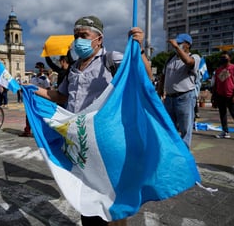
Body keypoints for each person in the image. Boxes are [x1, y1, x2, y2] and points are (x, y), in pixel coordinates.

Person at [32, 15, 152, 226]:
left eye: (84, 35)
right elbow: (61, 97)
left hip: (106, 139)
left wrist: (139, 49)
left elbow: (144, 77)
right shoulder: (73, 68)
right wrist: (36, 90)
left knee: (111, 197)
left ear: (99, 38)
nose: (79, 40)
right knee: (86, 193)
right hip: (80, 142)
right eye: (76, 36)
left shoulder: (112, 58)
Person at [156, 33, 200, 149]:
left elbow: (189, 62)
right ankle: (171, 150)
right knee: (169, 126)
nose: (177, 45)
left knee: (185, 128)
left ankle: (184, 152)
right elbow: (164, 75)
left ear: (188, 45)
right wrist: (160, 89)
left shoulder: (194, 57)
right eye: (177, 43)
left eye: (180, 43)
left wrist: (176, 47)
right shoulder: (170, 59)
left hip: (184, 97)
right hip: (170, 98)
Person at [212, 51, 234, 142]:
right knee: (222, 114)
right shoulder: (219, 70)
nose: (223, 59)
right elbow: (216, 84)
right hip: (220, 96)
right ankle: (225, 131)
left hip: (230, 95)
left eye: (225, 57)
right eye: (222, 57)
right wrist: (214, 97)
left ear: (230, 58)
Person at [19, 62, 51, 137]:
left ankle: (43, 132)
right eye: (37, 68)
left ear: (42, 69)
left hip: (41, 100)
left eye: (39, 68)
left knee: (41, 116)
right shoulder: (33, 78)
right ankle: (27, 131)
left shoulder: (45, 79)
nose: (38, 69)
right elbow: (29, 86)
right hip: (32, 99)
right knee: (29, 115)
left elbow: (48, 90)